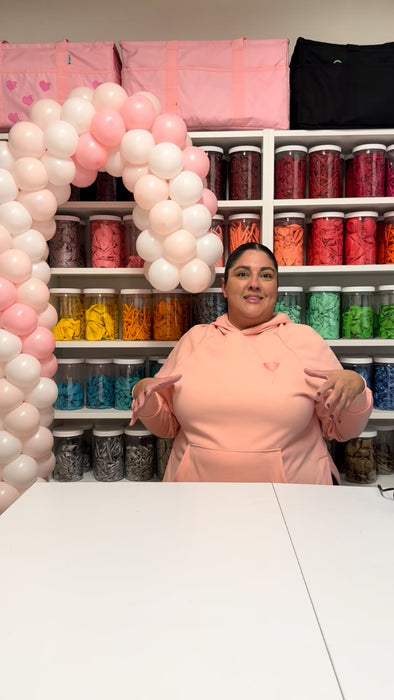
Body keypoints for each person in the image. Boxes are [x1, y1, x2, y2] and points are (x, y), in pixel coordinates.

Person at [131, 242, 373, 484]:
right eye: (242, 273)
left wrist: (356, 389)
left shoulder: (304, 340)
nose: (254, 283)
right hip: (195, 496)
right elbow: (167, 427)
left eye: (266, 275)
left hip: (292, 501)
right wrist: (146, 396)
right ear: (224, 287)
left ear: (276, 288)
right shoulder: (194, 339)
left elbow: (342, 431)